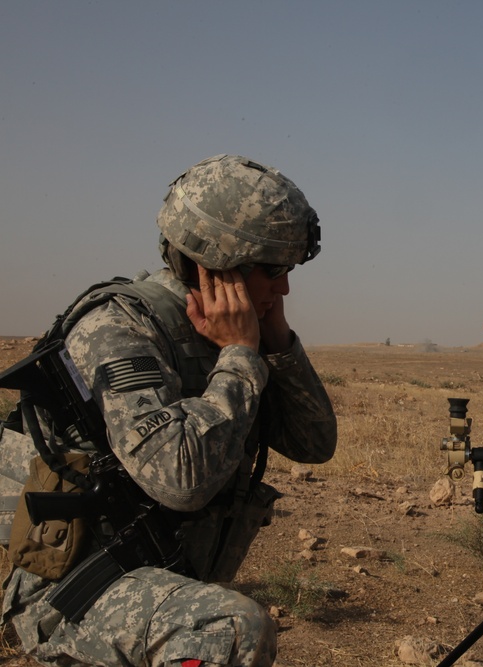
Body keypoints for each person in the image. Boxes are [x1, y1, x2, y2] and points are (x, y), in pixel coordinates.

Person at [2, 154, 338, 666]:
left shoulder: (225, 337)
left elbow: (314, 443)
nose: (284, 287)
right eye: (273, 270)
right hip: (70, 586)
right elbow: (181, 481)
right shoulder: (118, 327)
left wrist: (275, 344)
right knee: (229, 629)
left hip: (148, 573)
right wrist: (242, 359)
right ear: (217, 263)